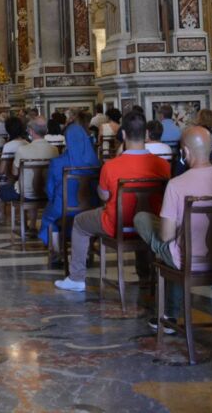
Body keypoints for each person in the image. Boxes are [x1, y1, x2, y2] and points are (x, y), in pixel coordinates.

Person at [134, 126, 212, 331]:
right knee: (179, 241)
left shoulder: (176, 184)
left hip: (187, 260)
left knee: (145, 222)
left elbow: (166, 236)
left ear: (185, 152)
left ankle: (169, 314)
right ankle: (168, 313)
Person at [55, 110, 170, 291]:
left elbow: (104, 196)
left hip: (117, 224)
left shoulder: (111, 166)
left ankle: (77, 278)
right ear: (146, 134)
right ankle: (146, 276)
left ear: (123, 134)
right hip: (149, 225)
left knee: (79, 223)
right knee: (144, 215)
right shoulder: (163, 165)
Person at [0, 117, 56, 242]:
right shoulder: (54, 149)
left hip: (25, 193)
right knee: (34, 185)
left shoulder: (23, 150)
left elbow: (14, 172)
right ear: (46, 130)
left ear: (30, 131)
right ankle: (32, 226)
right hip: (45, 192)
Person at [38, 114, 99, 254]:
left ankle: (57, 252)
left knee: (50, 218)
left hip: (63, 206)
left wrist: (53, 199)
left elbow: (50, 189)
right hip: (90, 206)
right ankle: (87, 249)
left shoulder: (57, 162)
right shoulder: (95, 162)